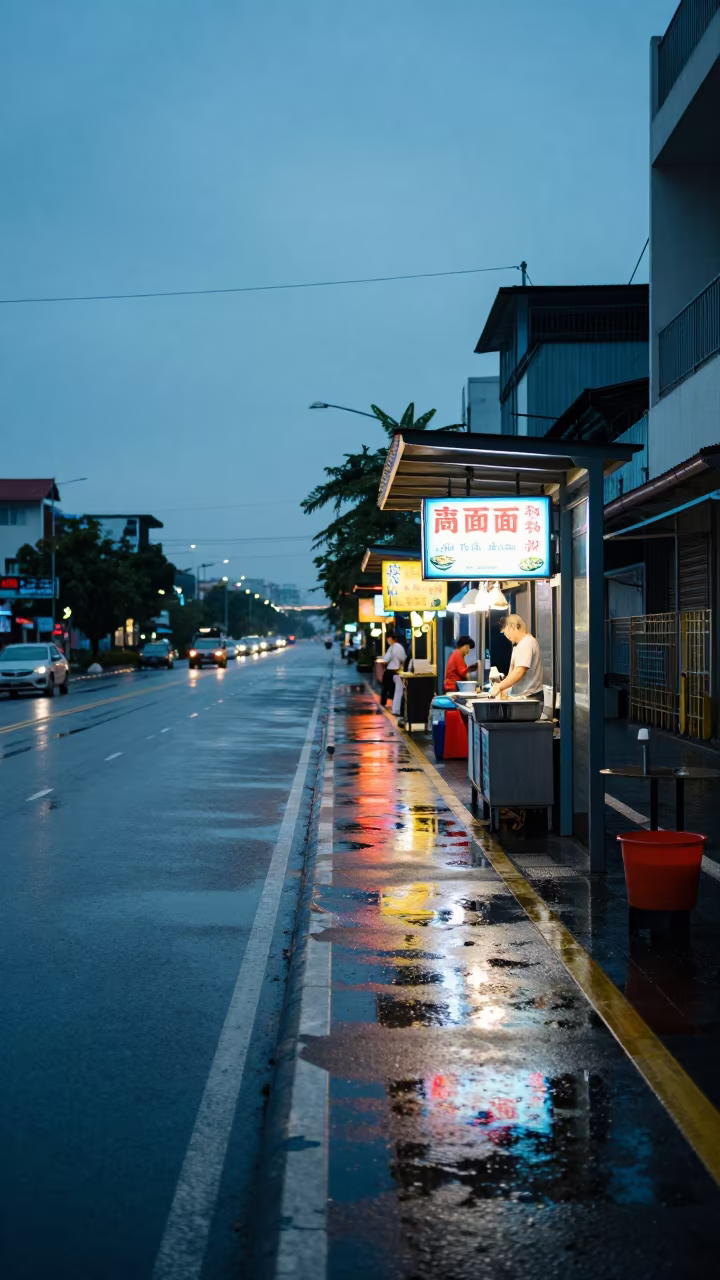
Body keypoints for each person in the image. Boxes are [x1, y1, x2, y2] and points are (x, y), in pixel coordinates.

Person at [493, 614, 543, 700]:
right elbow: (513, 673)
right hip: (524, 697)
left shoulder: (526, 643)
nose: (506, 636)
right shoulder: (519, 645)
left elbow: (520, 671)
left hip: (529, 697)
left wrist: (500, 686)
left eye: (506, 632)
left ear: (513, 626)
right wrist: (505, 688)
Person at [380, 630, 406, 706]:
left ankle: (383, 702)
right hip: (398, 671)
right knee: (396, 688)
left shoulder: (392, 647)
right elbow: (403, 658)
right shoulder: (400, 647)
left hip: (390, 670)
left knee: (385, 687)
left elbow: (386, 659)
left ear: (391, 638)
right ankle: (396, 704)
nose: (388, 641)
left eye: (388, 639)